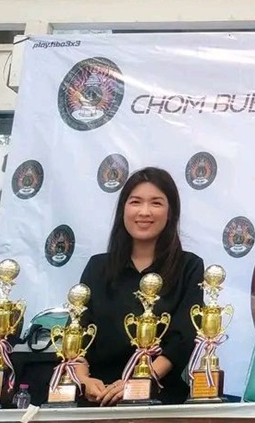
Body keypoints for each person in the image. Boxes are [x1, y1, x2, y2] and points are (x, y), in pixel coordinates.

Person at [74, 167, 204, 405]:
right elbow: (78, 333)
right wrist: (83, 380)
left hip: (160, 396)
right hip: (99, 397)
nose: (144, 212)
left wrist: (140, 382)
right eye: (135, 202)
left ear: (171, 213)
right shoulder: (97, 267)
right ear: (123, 210)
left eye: (156, 203)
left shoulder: (189, 267)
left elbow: (183, 339)